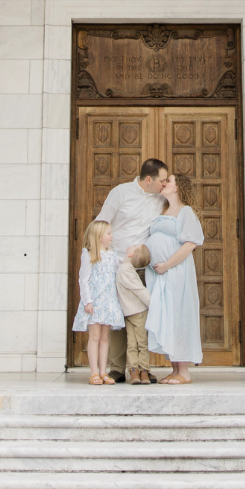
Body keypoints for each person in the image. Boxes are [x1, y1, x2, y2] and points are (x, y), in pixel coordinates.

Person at [96, 157, 169, 382]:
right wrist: (96, 259)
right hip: (115, 265)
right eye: (162, 181)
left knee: (140, 319)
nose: (164, 185)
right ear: (149, 179)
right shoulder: (120, 193)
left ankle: (141, 367)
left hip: (141, 266)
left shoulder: (161, 198)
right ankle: (117, 368)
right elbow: (101, 223)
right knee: (117, 318)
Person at [144, 171, 205, 384]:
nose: (164, 183)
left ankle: (184, 372)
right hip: (159, 275)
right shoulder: (164, 210)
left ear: (178, 187)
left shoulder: (185, 211)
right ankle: (174, 369)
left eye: (168, 181)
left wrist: (167, 265)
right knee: (168, 317)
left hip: (176, 272)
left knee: (179, 315)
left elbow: (190, 243)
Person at [71, 221, 123, 385]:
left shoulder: (112, 254)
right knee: (94, 336)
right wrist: (87, 301)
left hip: (108, 301)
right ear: (99, 237)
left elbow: (117, 271)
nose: (111, 236)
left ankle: (103, 371)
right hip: (95, 301)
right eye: (108, 233)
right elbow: (83, 279)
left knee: (105, 337)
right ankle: (93, 372)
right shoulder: (89, 253)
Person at [116, 244, 153, 384]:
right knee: (133, 343)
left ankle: (143, 371)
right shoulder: (126, 269)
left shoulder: (125, 270)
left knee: (140, 343)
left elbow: (139, 290)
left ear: (131, 254)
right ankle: (134, 371)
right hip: (130, 312)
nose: (132, 244)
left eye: (135, 246)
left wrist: (153, 306)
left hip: (138, 312)